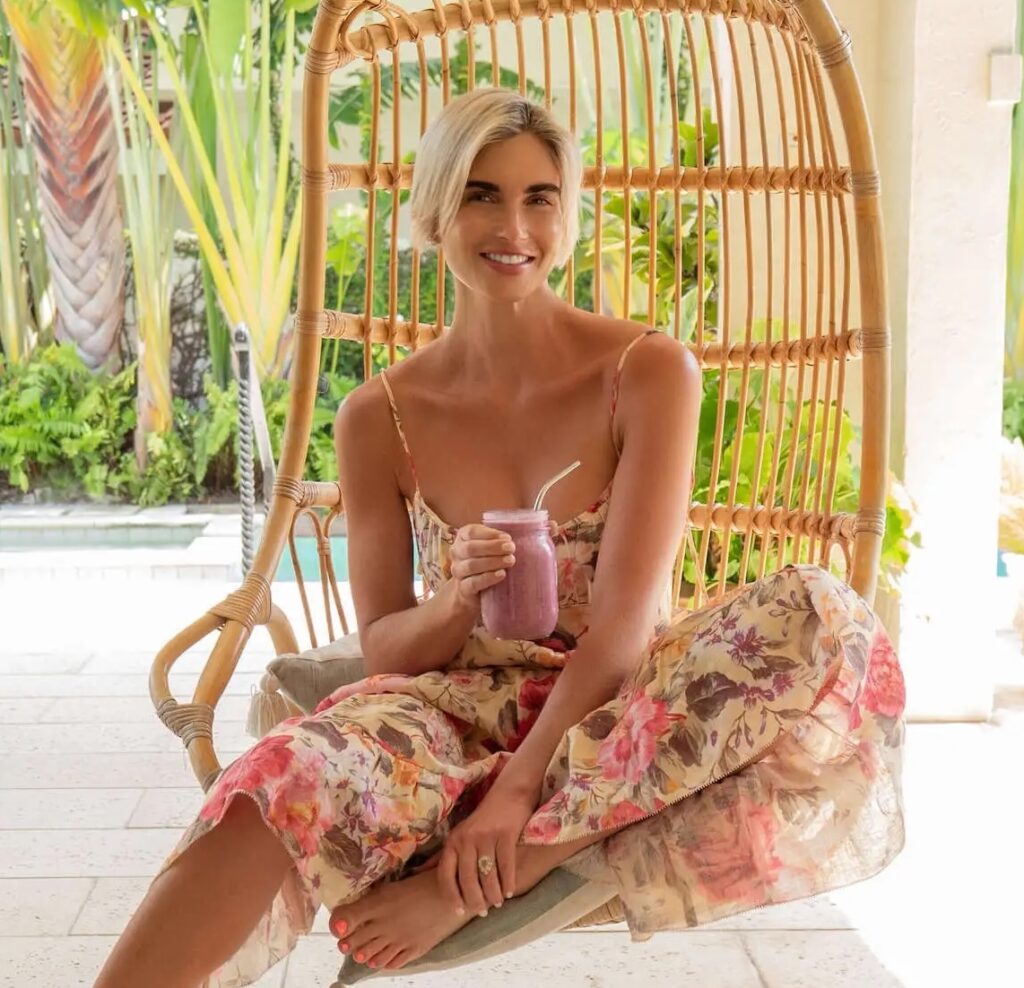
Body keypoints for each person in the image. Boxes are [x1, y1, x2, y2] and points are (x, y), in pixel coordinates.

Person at [95, 88, 906, 987]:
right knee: (277, 772)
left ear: (568, 211)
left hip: (621, 712)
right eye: (482, 193)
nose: (512, 224)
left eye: (539, 196)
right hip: (451, 714)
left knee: (821, 617)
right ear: (437, 209)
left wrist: (516, 800)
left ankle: (515, 867)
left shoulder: (647, 372)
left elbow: (628, 628)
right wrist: (454, 600)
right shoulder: (381, 417)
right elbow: (385, 651)